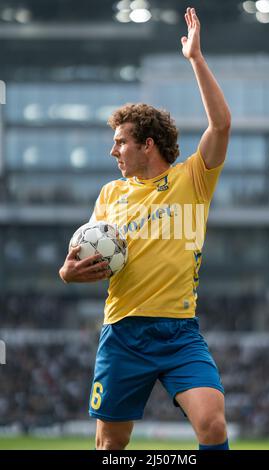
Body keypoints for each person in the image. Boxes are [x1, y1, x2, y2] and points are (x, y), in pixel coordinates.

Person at [59, 6, 231, 450]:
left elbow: (221, 124)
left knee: (212, 424)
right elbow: (80, 256)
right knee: (110, 445)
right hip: (123, 332)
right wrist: (67, 272)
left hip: (179, 332)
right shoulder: (109, 195)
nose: (112, 149)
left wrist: (195, 58)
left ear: (147, 144)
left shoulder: (192, 179)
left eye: (120, 141)